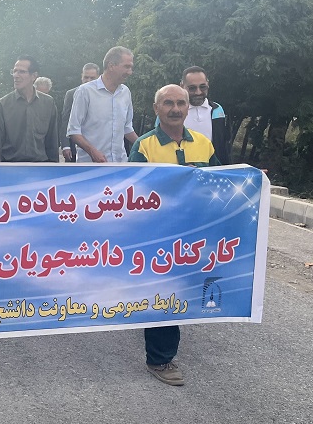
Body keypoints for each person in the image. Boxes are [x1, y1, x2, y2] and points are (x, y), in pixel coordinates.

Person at [129, 84, 220, 386]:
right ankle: (160, 359)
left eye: (181, 103)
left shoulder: (204, 144)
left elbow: (221, 182)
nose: (175, 109)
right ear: (156, 109)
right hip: (159, 236)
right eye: (168, 103)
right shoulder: (144, 146)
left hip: (194, 236)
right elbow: (132, 191)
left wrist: (254, 179)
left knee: (183, 293)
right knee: (165, 294)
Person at [67, 47, 138, 163]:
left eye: (131, 67)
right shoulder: (85, 91)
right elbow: (73, 131)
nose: (130, 72)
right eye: (126, 67)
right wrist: (92, 152)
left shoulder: (125, 92)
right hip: (91, 166)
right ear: (111, 66)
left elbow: (127, 128)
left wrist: (145, 146)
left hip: (120, 164)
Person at [0, 55, 59, 163]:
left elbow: (52, 141)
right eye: (14, 71)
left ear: (34, 76)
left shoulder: (48, 103)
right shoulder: (2, 105)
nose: (16, 75)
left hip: (40, 166)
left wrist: (53, 167)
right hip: (10, 167)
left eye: (22, 72)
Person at [180, 66, 232, 164]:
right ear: (182, 86)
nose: (198, 92)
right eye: (192, 88)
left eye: (202, 87)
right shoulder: (173, 113)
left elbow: (224, 147)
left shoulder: (217, 110)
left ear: (207, 84)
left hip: (212, 169)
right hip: (182, 170)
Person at [60, 62, 100, 162]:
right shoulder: (71, 94)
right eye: (86, 77)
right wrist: (65, 146)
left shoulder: (104, 95)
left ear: (98, 77)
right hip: (75, 147)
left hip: (99, 147)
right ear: (81, 76)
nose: (88, 80)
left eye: (92, 78)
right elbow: (65, 121)